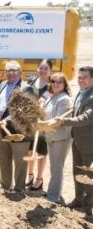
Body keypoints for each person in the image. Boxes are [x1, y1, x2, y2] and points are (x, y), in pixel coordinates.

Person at [54, 66, 93, 216]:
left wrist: (64, 121)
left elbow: (85, 118)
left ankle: (89, 206)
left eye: (84, 77)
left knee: (88, 175)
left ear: (92, 78)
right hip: (77, 140)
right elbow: (77, 110)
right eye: (79, 77)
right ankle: (78, 199)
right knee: (77, 171)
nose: (80, 80)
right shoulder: (82, 92)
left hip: (88, 143)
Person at [0, 60, 30, 194]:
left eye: (14, 70)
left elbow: (23, 110)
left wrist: (7, 120)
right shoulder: (2, 85)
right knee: (4, 159)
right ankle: (5, 186)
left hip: (19, 130)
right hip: (2, 129)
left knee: (20, 162)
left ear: (20, 72)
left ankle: (19, 189)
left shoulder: (26, 88)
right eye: (8, 70)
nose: (11, 73)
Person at [43, 72, 72, 204]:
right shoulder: (51, 97)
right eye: (53, 81)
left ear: (64, 84)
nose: (55, 84)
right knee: (53, 166)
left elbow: (58, 121)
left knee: (57, 167)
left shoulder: (64, 98)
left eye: (59, 82)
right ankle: (54, 193)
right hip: (51, 136)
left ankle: (53, 197)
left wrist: (42, 126)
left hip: (60, 138)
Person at [26, 59, 52, 191]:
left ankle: (39, 179)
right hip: (30, 122)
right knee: (30, 149)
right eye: (41, 68)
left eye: (46, 68)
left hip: (43, 123)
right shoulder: (31, 81)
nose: (43, 71)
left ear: (50, 71)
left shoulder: (52, 85)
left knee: (41, 151)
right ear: (37, 69)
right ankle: (30, 175)